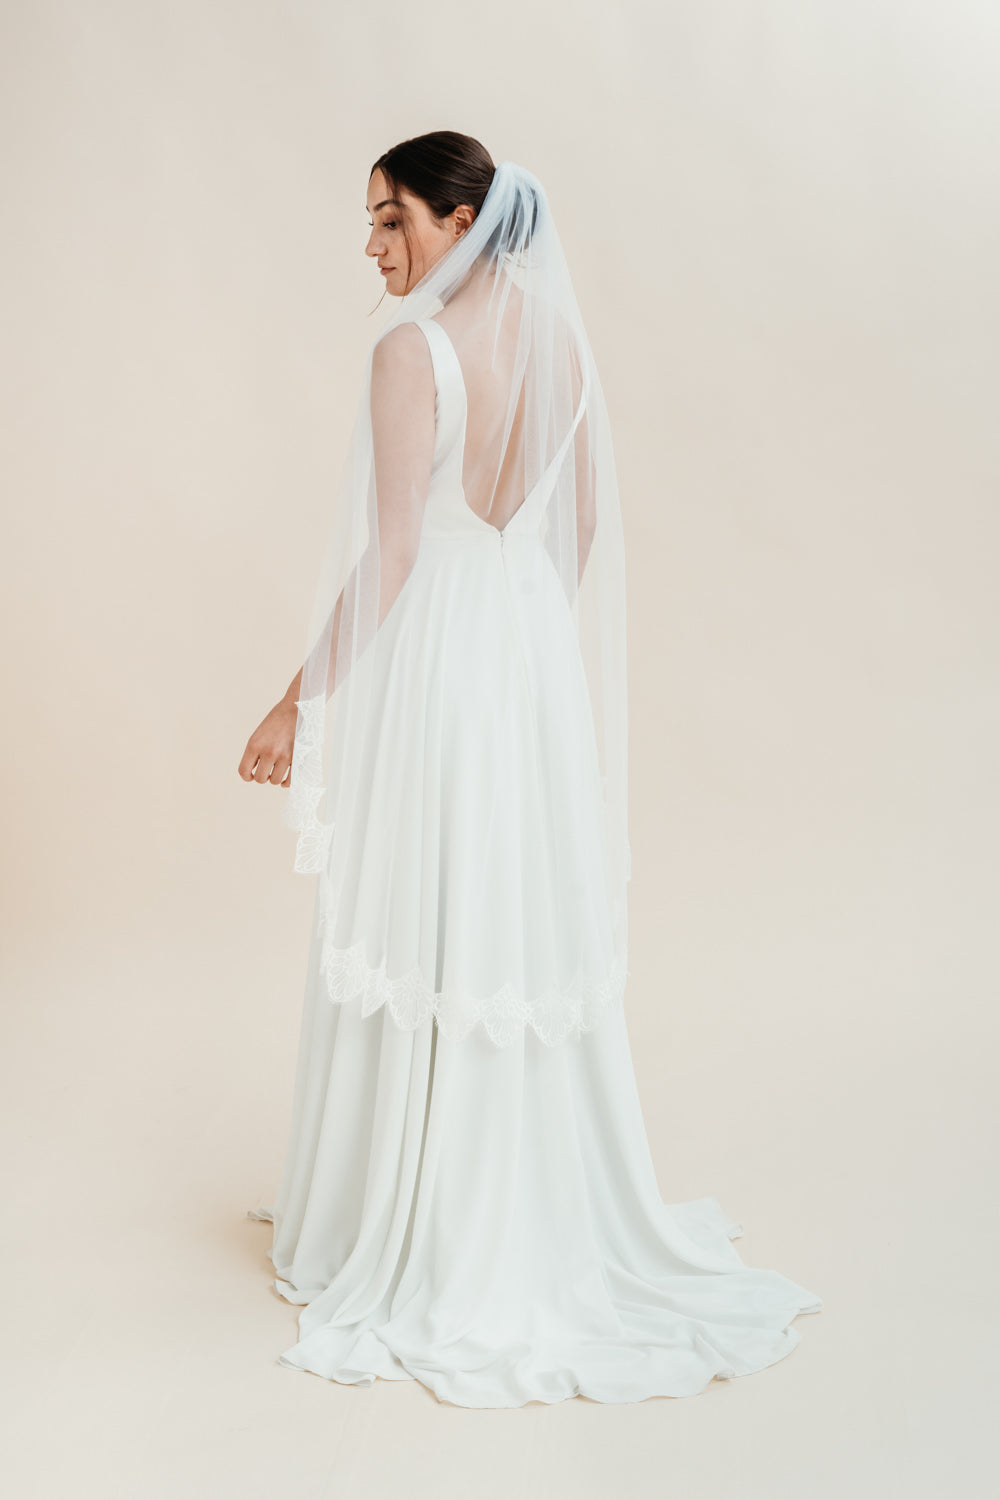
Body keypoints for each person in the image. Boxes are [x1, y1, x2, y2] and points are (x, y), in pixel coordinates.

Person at [239, 131, 821, 1408]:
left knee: (428, 906)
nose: (374, 247)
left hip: (441, 654)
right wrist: (522, 643)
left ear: (460, 221)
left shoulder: (410, 354)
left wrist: (296, 700)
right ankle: (518, 1199)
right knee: (506, 911)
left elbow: (396, 557)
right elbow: (586, 520)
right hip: (527, 654)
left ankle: (409, 1212)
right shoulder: (559, 341)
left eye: (392, 219)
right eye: (371, 221)